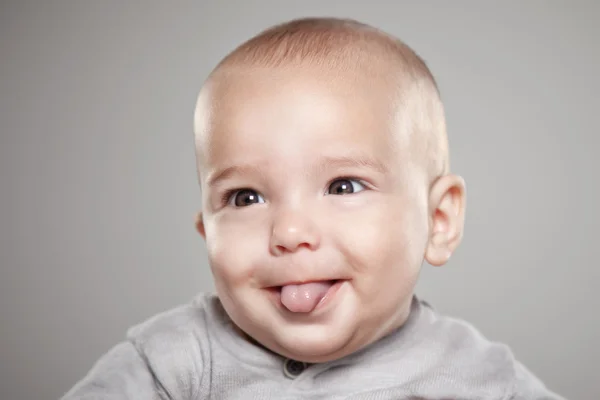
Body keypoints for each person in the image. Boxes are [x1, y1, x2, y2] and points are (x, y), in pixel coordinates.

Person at [61, 17, 564, 399]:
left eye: (344, 186)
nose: (290, 230)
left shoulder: (476, 378)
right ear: (207, 233)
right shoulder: (174, 362)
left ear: (438, 221)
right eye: (246, 198)